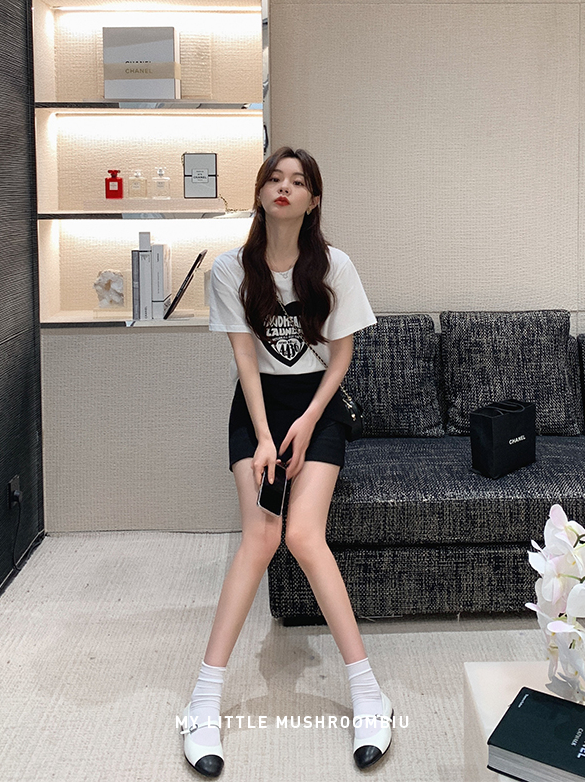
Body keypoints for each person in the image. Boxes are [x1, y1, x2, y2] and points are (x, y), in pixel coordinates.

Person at [180, 146, 395, 777]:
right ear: (260, 193)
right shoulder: (230, 269)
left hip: (318, 404)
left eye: (298, 181)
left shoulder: (334, 266)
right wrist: (265, 436)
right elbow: (245, 360)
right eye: (274, 178)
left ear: (313, 199)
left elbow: (341, 357)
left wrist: (305, 422)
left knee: (302, 534)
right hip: (258, 407)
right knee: (259, 537)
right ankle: (203, 701)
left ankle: (368, 693)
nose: (284, 187)